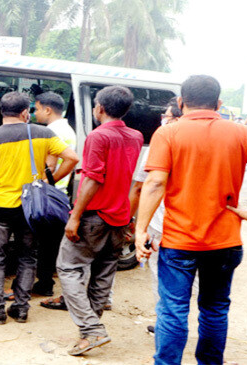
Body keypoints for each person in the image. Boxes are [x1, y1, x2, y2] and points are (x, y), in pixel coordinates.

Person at [135, 75, 247, 365]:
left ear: (181, 103)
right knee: (215, 308)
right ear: (219, 103)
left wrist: (141, 229)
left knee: (172, 310)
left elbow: (154, 183)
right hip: (225, 241)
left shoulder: (168, 133)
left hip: (179, 242)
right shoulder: (243, 133)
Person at [0, 92, 78, 324]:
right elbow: (72, 158)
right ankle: (21, 309)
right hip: (30, 207)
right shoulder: (44, 133)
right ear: (25, 112)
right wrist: (50, 180)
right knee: (27, 256)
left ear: (1, 111)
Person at [44, 85, 143, 356]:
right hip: (120, 215)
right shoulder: (135, 136)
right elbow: (131, 179)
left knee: (68, 268)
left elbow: (93, 179)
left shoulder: (98, 136)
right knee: (103, 272)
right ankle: (90, 331)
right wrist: (131, 218)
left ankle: (91, 330)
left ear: (99, 108)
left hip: (94, 215)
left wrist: (74, 216)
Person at [128, 97, 189, 335]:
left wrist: (134, 223)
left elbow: (141, 186)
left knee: (161, 275)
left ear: (175, 118)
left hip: (161, 222)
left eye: (165, 116)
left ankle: (166, 325)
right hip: (190, 223)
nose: (162, 120)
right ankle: (175, 321)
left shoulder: (161, 140)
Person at [31, 91, 77, 297]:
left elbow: (49, 164)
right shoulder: (67, 129)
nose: (35, 113)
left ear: (47, 109)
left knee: (42, 243)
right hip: (59, 194)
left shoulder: (51, 131)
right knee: (50, 244)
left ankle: (44, 283)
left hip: (49, 195)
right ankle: (45, 281)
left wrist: (49, 181)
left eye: (37, 108)